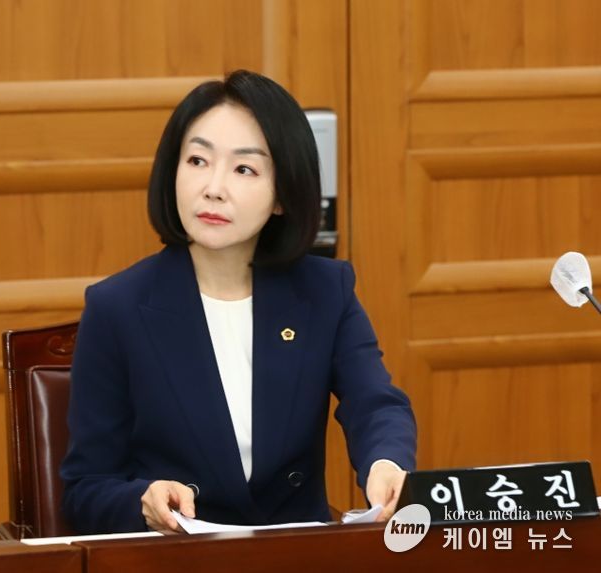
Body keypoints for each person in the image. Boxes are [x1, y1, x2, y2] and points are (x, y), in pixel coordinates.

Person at [60, 69, 416, 534]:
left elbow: (375, 404)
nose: (213, 187)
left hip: (293, 557)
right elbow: (85, 489)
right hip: (177, 559)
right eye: (197, 160)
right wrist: (141, 501)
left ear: (282, 196)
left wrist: (385, 463)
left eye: (244, 169)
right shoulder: (117, 308)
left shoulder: (324, 291)